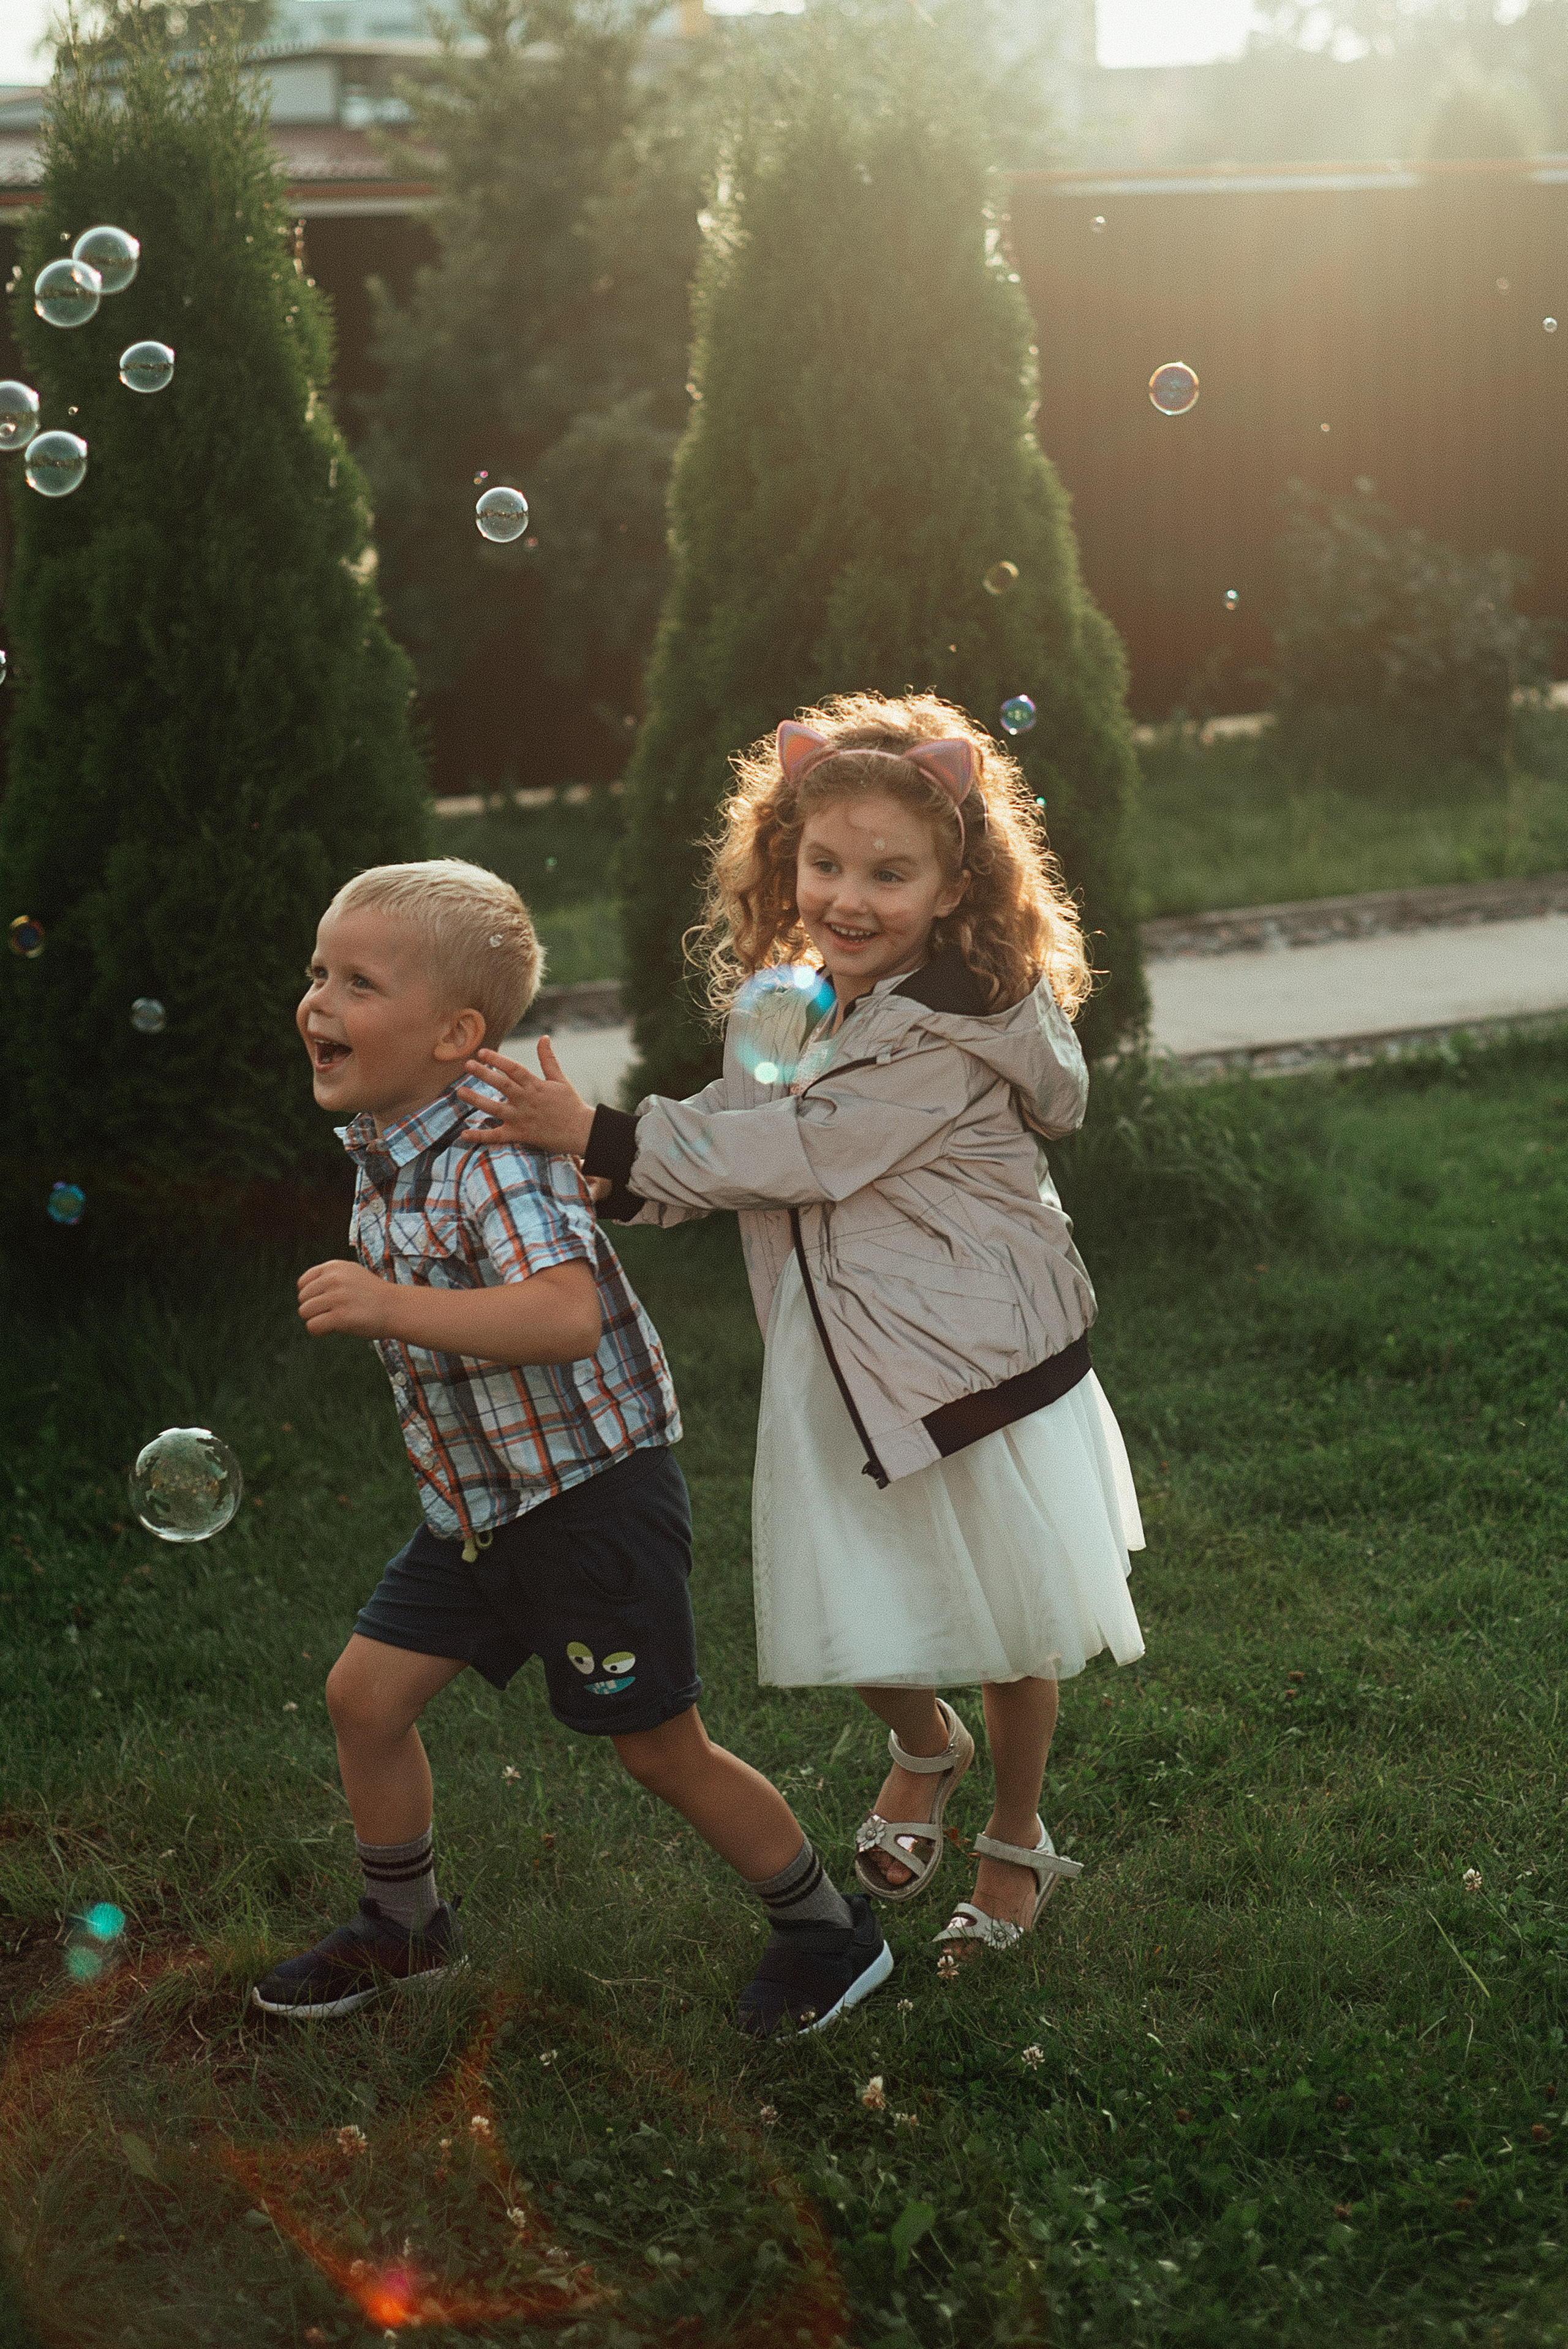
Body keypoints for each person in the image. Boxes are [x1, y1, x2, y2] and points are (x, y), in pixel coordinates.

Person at [458, 696, 1145, 1972]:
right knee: (851, 1591)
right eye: (825, 863)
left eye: (890, 872)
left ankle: (1013, 1830)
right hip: (841, 1363)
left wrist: (604, 1133)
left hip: (976, 1363)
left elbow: (801, 1152)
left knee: (1010, 1621)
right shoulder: (784, 1003)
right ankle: (920, 1745)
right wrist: (619, 1176)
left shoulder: (952, 1032)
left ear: (953, 889)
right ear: (787, 862)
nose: (849, 895)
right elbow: (733, 1128)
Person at [250, 856, 891, 2036]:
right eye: (317, 974)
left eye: (357, 983)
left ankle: (829, 1932)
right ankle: (406, 1928)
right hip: (479, 1513)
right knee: (364, 1698)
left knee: (659, 1749)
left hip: (591, 1505)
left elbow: (563, 1315)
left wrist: (387, 1303)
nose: (319, 1003)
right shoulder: (389, 1150)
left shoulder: (493, 1153)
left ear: (456, 1034)